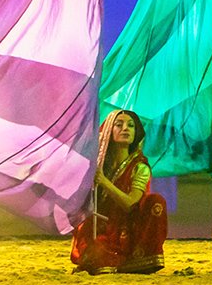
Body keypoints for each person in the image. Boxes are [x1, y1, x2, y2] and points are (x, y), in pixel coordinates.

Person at [69, 108, 168, 274]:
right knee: (92, 239)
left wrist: (103, 182)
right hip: (105, 228)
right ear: (109, 131)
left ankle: (138, 259)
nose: (125, 129)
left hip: (130, 230)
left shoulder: (139, 167)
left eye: (131, 126)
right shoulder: (99, 166)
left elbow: (130, 204)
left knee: (156, 201)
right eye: (119, 125)